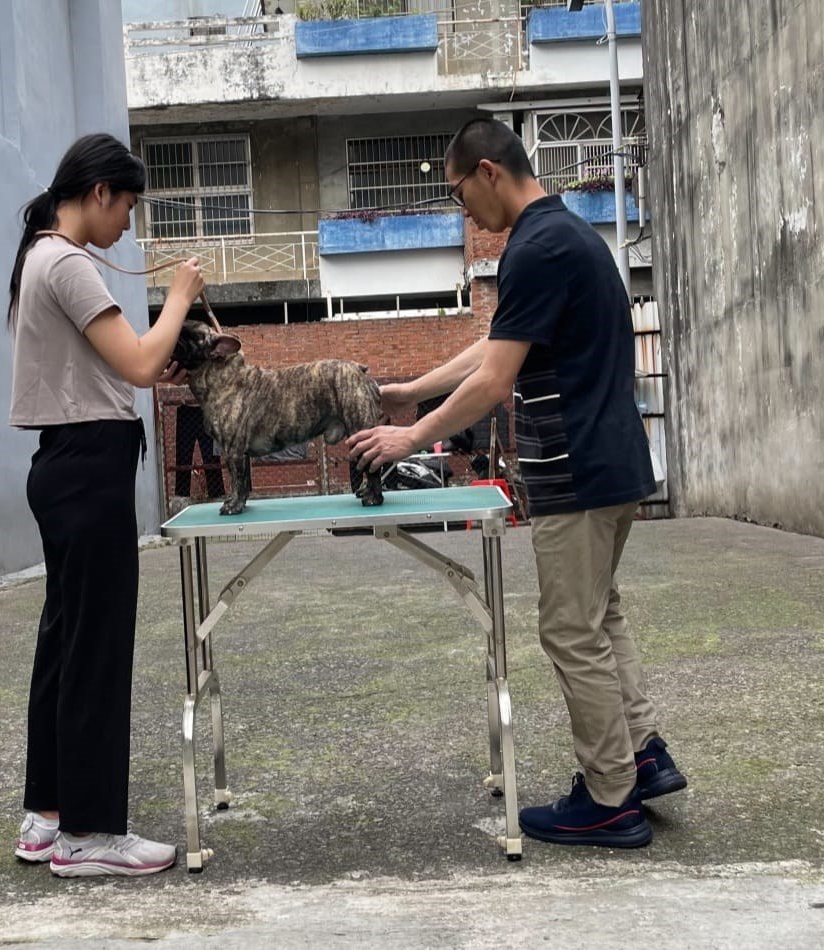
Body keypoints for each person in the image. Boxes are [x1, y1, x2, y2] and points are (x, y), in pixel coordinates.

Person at [348, 118, 686, 849]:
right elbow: (496, 344)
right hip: (614, 463)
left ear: (487, 172)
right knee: (599, 614)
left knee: (569, 630)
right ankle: (642, 756)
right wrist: (411, 391)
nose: (463, 212)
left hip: (576, 468)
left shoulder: (534, 249)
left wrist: (411, 437)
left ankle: (610, 799)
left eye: (457, 193)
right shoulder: (566, 236)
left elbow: (495, 379)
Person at [7, 133, 205, 877]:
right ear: (98, 193)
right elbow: (143, 363)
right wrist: (179, 295)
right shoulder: (67, 262)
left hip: (67, 464)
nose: (126, 223)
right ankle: (89, 834)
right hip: (88, 467)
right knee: (94, 650)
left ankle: (49, 815)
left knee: (65, 642)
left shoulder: (40, 255)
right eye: (125, 206)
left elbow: (117, 364)